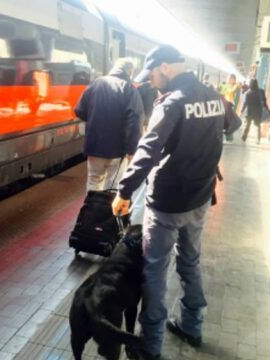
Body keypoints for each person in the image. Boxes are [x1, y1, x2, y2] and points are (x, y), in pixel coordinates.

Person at [112, 45, 241, 359]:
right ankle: (192, 325)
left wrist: (124, 191)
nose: (153, 82)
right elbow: (233, 125)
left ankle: (149, 346)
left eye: (154, 75)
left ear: (165, 68)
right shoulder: (213, 95)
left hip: (168, 202)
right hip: (199, 197)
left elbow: (148, 151)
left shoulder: (171, 103)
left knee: (155, 271)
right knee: (190, 261)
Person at [75, 58, 144, 191]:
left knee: (94, 180)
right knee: (113, 184)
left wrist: (94, 120)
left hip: (94, 146)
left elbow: (79, 110)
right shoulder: (129, 89)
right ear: (130, 72)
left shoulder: (95, 83)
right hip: (117, 148)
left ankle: (91, 210)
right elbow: (134, 121)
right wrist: (132, 149)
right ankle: (107, 212)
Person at [240, 78, 270, 144]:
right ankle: (258, 139)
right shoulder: (261, 91)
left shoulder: (248, 92)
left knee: (247, 125)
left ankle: (244, 137)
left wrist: (242, 110)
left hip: (250, 111)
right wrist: (267, 109)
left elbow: (246, 103)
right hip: (258, 111)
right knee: (258, 125)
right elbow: (264, 101)